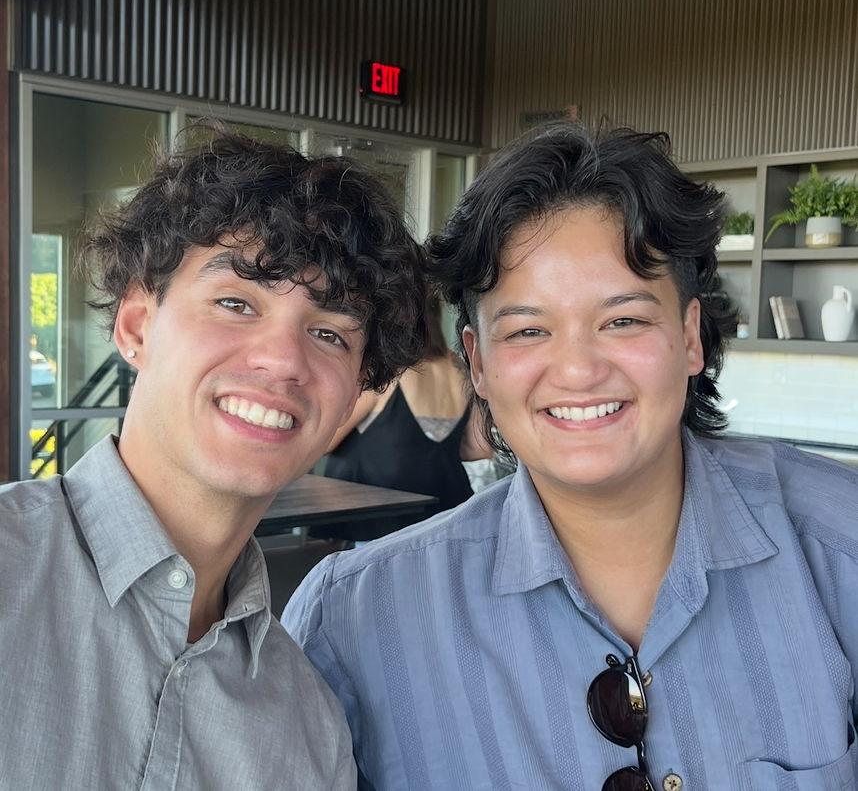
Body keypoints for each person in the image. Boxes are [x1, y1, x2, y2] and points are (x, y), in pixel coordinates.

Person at [284, 126, 858, 790]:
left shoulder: (837, 548)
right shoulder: (355, 619)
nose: (579, 371)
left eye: (623, 320)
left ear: (689, 336)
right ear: (477, 363)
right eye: (528, 330)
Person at [0, 129, 426, 789]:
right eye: (235, 303)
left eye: (328, 334)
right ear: (137, 325)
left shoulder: (311, 727)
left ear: (351, 398)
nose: (283, 360)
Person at [312, 290, 492, 543]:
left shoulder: (387, 369)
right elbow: (480, 447)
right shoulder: (461, 369)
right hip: (445, 514)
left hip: (377, 521)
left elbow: (323, 441)